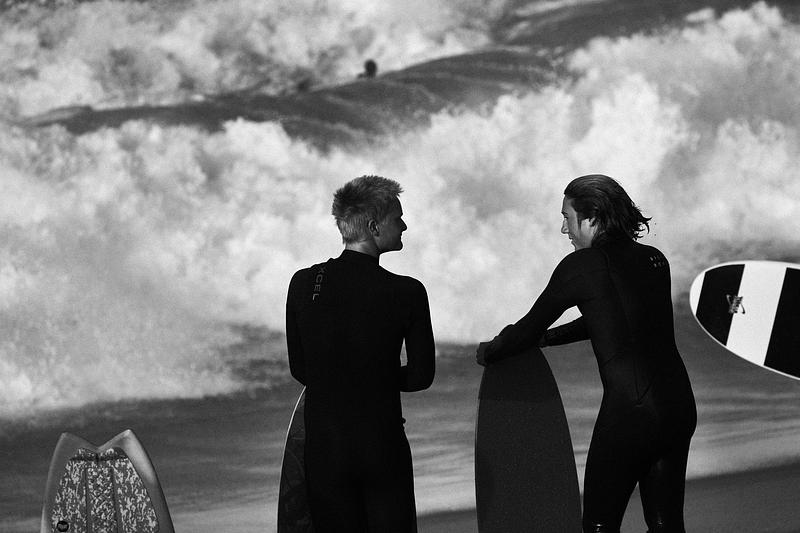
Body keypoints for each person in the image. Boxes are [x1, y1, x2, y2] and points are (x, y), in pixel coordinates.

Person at [476, 174, 697, 533]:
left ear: (591, 217)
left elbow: (527, 328)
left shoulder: (581, 266)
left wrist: (492, 351)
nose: (564, 229)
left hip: (631, 412)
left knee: (599, 524)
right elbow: (611, 319)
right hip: (678, 406)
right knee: (666, 522)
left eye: (567, 217)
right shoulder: (654, 259)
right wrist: (548, 339)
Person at [286, 175, 435, 532]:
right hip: (382, 445)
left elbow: (301, 368)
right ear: (373, 226)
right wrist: (375, 377)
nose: (404, 225)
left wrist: (344, 376)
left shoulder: (303, 283)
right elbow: (420, 376)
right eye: (397, 217)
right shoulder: (407, 292)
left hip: (325, 449)